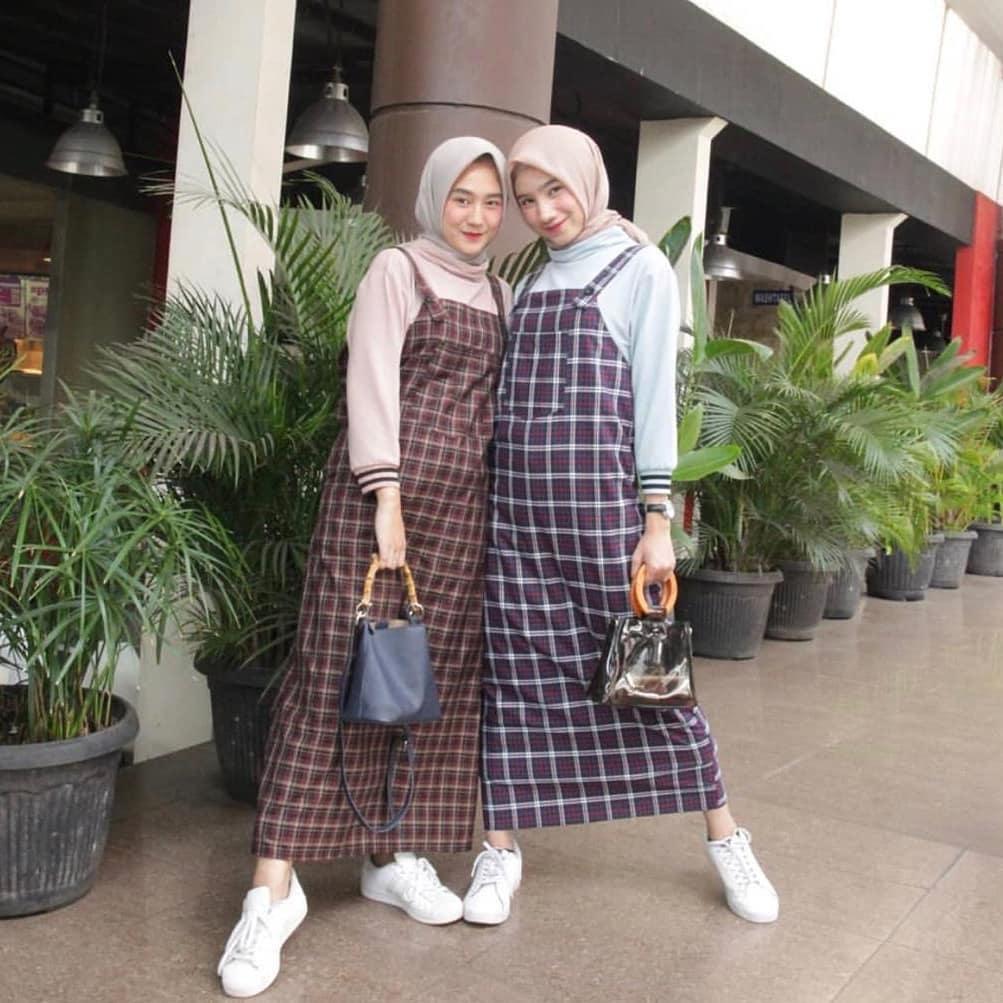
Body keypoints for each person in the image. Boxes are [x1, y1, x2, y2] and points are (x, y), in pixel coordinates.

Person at [461, 124, 779, 928]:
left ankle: (725, 836)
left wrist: (655, 518)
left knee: (650, 681)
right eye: (526, 200)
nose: (542, 212)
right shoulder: (532, 282)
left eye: (554, 191)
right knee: (514, 684)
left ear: (587, 181)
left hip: (601, 515)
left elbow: (652, 400)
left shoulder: (638, 269)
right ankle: (498, 848)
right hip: (516, 522)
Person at [217, 137, 511, 999]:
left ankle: (390, 854)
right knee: (330, 676)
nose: (477, 216)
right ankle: (272, 890)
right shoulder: (397, 270)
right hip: (379, 505)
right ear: (434, 197)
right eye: (462, 197)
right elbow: (372, 382)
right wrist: (386, 496)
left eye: (492, 201)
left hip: (465, 518)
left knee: (422, 684)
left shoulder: (500, 292)